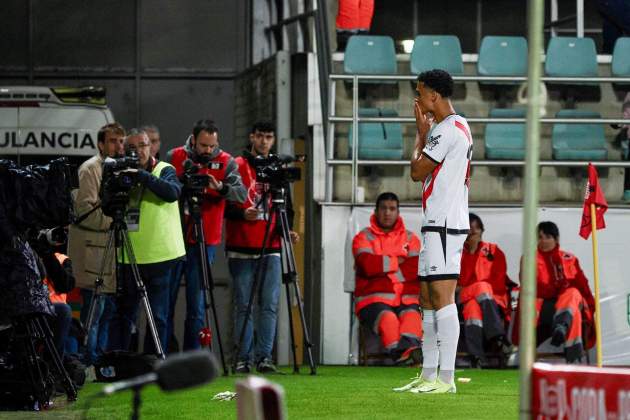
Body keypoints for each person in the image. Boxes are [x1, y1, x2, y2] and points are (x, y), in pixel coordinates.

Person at [394, 69, 472, 394]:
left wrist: (419, 136)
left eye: (420, 92)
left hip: (445, 224)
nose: (417, 99)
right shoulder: (455, 126)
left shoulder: (447, 130)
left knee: (442, 298)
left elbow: (416, 171)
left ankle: (448, 378)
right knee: (426, 298)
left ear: (434, 96)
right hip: (435, 223)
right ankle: (428, 375)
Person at [225, 121, 299, 374]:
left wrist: (287, 229)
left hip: (272, 245)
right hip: (241, 245)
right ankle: (243, 358)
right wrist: (240, 214)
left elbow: (286, 206)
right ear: (252, 137)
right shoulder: (237, 164)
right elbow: (225, 204)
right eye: (260, 136)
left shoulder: (278, 166)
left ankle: (264, 357)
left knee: (269, 304)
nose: (265, 141)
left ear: (274, 139)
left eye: (269, 137)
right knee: (243, 304)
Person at [166, 119, 246, 351]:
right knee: (165, 303)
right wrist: (181, 184)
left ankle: (193, 360)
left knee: (197, 305)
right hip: (173, 238)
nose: (208, 150)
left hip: (205, 240)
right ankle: (165, 357)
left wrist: (220, 187)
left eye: (212, 146)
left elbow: (241, 195)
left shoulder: (226, 161)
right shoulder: (175, 156)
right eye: (203, 145)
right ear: (193, 139)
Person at [108, 129, 186, 355]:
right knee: (124, 314)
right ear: (124, 150)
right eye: (132, 148)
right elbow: (107, 206)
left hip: (161, 256)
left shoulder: (165, 169)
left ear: (151, 147)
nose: (138, 151)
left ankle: (155, 363)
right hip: (130, 256)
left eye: (142, 145)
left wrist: (141, 176)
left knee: (158, 316)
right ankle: (120, 361)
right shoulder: (120, 172)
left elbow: (172, 193)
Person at [67, 122, 125, 366]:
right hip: (93, 250)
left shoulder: (122, 170)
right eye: (113, 141)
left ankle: (98, 358)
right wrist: (114, 221)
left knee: (106, 311)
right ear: (101, 144)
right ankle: (88, 361)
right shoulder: (91, 169)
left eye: (121, 141)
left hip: (110, 251)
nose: (118, 146)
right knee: (94, 311)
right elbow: (85, 210)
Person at [352, 192, 422, 364]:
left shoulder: (411, 238)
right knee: (388, 319)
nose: (387, 213)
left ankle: (407, 354)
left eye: (392, 209)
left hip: (406, 299)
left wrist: (383, 267)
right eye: (383, 208)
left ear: (398, 212)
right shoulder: (363, 237)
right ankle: (404, 355)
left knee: (412, 316)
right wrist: (397, 261)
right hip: (372, 299)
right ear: (376, 211)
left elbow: (416, 267)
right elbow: (367, 265)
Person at [512, 221, 595, 363]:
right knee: (570, 300)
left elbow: (583, 286)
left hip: (567, 306)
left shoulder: (569, 259)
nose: (543, 241)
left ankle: (561, 327)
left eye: (548, 237)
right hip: (542, 308)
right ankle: (573, 353)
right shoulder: (528, 258)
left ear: (556, 239)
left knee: (573, 293)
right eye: (540, 237)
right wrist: (558, 286)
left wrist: (592, 307)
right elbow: (529, 286)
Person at [458, 213, 512, 368]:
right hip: (463, 295)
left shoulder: (494, 251)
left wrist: (475, 288)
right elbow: (460, 282)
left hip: (492, 299)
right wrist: (472, 251)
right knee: (482, 287)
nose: (472, 233)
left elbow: (499, 280)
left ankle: (476, 357)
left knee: (472, 308)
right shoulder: (457, 253)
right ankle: (497, 336)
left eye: (476, 229)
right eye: (468, 230)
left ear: (482, 231)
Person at [613, 100, 630, 201]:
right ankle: (627, 193)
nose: (627, 116)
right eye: (626, 113)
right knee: (628, 171)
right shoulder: (624, 123)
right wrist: (622, 123)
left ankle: (627, 192)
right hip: (626, 151)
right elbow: (614, 125)